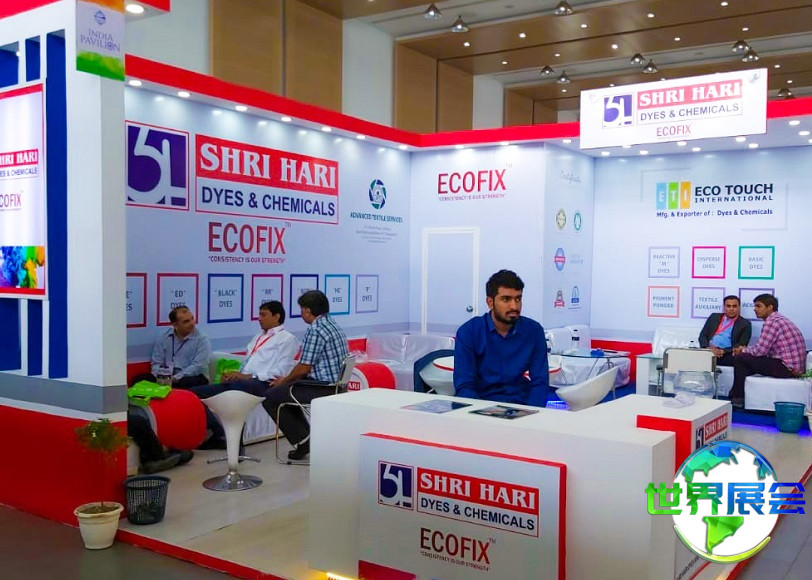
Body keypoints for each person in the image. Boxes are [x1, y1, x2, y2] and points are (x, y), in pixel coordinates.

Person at [191, 300, 298, 449]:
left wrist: (247, 377)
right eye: (259, 315)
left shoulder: (288, 339)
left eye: (263, 315)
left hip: (265, 384)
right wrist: (232, 375)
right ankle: (218, 433)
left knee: (236, 389)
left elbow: (280, 371)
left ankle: (233, 443)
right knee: (192, 394)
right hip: (244, 382)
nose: (259, 318)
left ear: (276, 316)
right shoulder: (258, 337)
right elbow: (247, 364)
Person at [263, 290, 349, 461]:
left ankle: (303, 441)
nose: (301, 313)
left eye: (302, 309)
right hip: (337, 385)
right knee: (286, 393)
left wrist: (283, 381)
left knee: (271, 396)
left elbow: (303, 367)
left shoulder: (316, 330)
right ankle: (305, 439)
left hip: (323, 387)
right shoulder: (332, 324)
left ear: (308, 311)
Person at [453, 269, 550, 407]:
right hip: (481, 404)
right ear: (490, 302)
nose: (514, 306)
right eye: (506, 299)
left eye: (518, 299)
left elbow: (540, 382)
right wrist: (481, 413)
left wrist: (532, 413)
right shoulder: (469, 332)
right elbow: (464, 386)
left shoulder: (534, 331)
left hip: (521, 405)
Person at [729, 294, 807, 408]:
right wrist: (746, 350)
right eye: (754, 306)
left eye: (758, 306)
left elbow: (760, 351)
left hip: (787, 368)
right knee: (747, 360)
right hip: (793, 367)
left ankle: (737, 398)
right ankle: (738, 396)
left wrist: (743, 350)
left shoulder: (772, 322)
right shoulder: (780, 319)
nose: (755, 309)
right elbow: (764, 350)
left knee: (741, 358)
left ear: (770, 307)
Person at [132, 306, 211, 389]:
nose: (192, 323)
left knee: (183, 383)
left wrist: (175, 378)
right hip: (167, 376)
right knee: (139, 380)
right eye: (186, 321)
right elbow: (157, 362)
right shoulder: (163, 336)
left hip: (191, 377)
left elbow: (198, 366)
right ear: (175, 325)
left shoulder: (202, 339)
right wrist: (161, 377)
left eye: (192, 318)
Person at [698, 295, 752, 366]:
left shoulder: (745, 323)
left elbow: (741, 344)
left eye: (734, 306)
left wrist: (722, 351)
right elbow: (702, 336)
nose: (731, 309)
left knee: (738, 359)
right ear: (724, 307)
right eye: (728, 306)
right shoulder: (714, 317)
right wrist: (709, 348)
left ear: (739, 307)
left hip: (727, 353)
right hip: (709, 350)